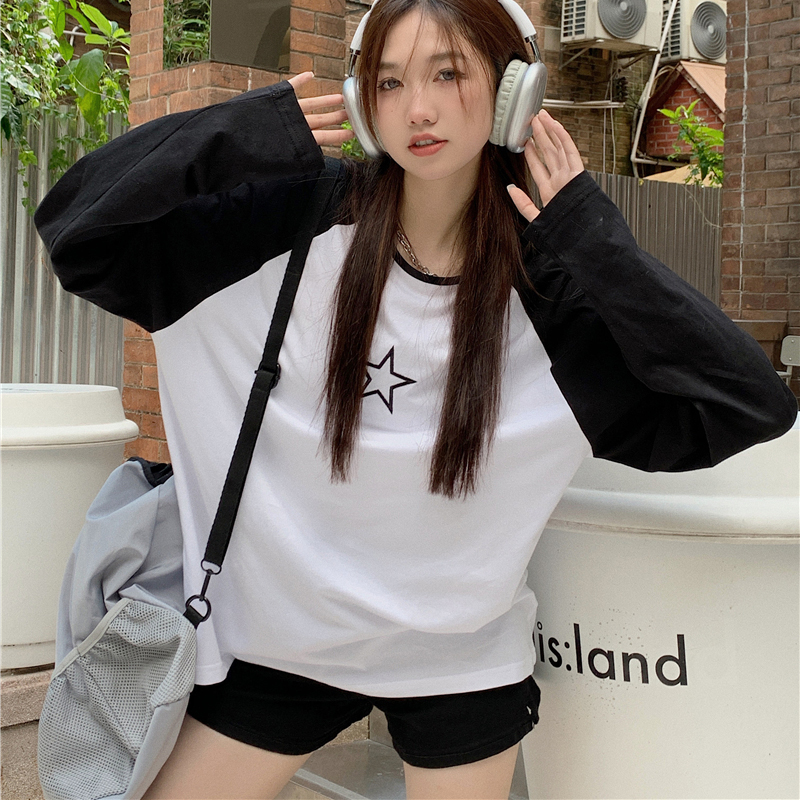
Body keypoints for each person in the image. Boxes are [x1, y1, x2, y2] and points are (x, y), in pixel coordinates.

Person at [34, 0, 796, 796]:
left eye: (448, 74)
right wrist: (242, 132)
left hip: (459, 662)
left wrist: (590, 235)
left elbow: (752, 404)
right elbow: (77, 231)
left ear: (514, 90)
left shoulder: (553, 293)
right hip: (282, 647)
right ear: (362, 100)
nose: (419, 110)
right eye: (390, 82)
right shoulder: (287, 227)